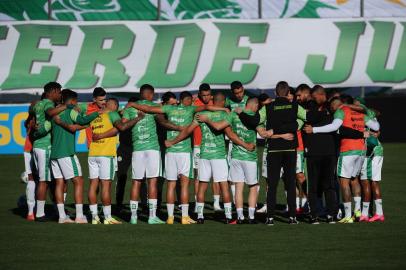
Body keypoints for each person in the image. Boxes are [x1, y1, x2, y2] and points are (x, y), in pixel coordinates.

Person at [132, 91, 230, 224]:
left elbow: (149, 109)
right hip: (184, 151)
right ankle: (184, 217)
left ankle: (170, 217)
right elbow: (207, 107)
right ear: (188, 100)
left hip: (170, 151)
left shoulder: (169, 108)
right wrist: (223, 108)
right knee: (184, 185)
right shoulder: (191, 109)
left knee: (171, 185)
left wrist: (132, 104)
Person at [165, 92, 254, 224]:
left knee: (202, 185)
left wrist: (173, 141)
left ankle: (200, 215)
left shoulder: (201, 115)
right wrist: (245, 145)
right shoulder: (224, 114)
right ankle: (229, 216)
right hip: (218, 156)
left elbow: (188, 130)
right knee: (224, 185)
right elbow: (231, 135)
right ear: (223, 102)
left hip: (204, 155)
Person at [304, 97, 380, 223]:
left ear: (335, 106)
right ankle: (358, 211)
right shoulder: (360, 113)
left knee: (344, 182)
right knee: (354, 180)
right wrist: (367, 128)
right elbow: (376, 126)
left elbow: (334, 127)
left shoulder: (340, 111)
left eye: (332, 107)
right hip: (361, 150)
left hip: (348, 150)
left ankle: (348, 215)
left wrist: (314, 129)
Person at [199, 97, 260, 224]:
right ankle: (252, 217)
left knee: (238, 187)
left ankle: (240, 217)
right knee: (253, 187)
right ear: (255, 106)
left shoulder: (233, 114)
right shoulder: (256, 116)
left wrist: (207, 119)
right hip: (250, 156)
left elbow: (218, 126)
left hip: (236, 156)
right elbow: (261, 131)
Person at [88, 97, 141, 225]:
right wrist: (137, 118)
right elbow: (121, 127)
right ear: (115, 106)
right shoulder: (112, 114)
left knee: (93, 185)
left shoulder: (94, 116)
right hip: (106, 154)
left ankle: (94, 217)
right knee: (106, 186)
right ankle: (107, 217)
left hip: (92, 153)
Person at [50, 89, 100, 224]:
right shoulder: (69, 111)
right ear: (72, 101)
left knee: (60, 183)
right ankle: (79, 216)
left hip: (54, 154)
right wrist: (97, 113)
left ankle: (62, 216)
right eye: (76, 101)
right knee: (78, 181)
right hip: (66, 152)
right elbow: (83, 119)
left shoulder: (55, 113)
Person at [122, 84, 166, 225]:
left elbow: (124, 124)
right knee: (152, 181)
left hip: (137, 148)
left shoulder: (130, 107)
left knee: (136, 182)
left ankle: (133, 216)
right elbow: (162, 121)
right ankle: (152, 216)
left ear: (141, 94)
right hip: (152, 148)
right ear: (151, 94)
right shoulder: (154, 107)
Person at [262, 81, 305, 225]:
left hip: (273, 148)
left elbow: (257, 120)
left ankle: (270, 218)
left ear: (275, 92)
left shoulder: (268, 107)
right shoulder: (294, 105)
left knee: (272, 184)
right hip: (290, 149)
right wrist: (295, 127)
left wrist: (266, 131)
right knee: (290, 183)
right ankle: (292, 217)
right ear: (288, 93)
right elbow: (305, 118)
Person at [302, 85, 339, 224]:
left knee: (328, 185)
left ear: (320, 95)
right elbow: (308, 117)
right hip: (313, 152)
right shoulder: (312, 106)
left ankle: (331, 214)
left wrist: (315, 126)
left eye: (314, 96)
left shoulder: (332, 107)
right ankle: (314, 215)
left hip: (328, 152)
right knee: (313, 186)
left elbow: (332, 122)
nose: (312, 99)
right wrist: (321, 115)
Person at [32, 82, 67, 221]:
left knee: (48, 180)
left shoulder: (37, 104)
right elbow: (50, 112)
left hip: (37, 145)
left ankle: (55, 210)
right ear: (52, 92)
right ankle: (40, 214)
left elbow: (32, 115)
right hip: (45, 146)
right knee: (44, 181)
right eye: (59, 92)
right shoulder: (48, 104)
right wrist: (66, 106)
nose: (60, 95)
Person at [192, 83, 222, 211]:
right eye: (203, 95)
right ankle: (197, 203)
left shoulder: (214, 102)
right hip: (198, 145)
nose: (206, 97)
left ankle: (216, 203)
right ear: (199, 94)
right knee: (198, 176)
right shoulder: (194, 103)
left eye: (208, 95)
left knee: (216, 176)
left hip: (214, 144)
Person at [225, 81, 250, 204]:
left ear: (243, 89)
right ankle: (236, 202)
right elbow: (218, 105)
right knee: (232, 175)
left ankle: (253, 204)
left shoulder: (250, 100)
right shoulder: (229, 101)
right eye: (236, 93)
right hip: (233, 142)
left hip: (249, 141)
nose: (239, 95)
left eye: (240, 92)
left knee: (250, 176)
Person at [23, 101, 38, 221]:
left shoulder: (30, 120)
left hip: (31, 151)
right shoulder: (32, 121)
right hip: (30, 151)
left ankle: (31, 212)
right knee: (32, 180)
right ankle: (30, 212)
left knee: (35, 181)